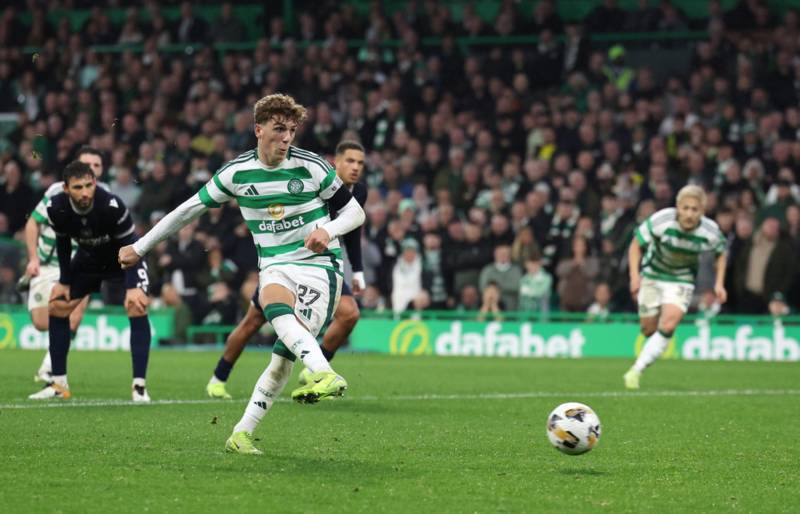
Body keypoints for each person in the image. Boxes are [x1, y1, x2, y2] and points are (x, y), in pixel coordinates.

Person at [118, 94, 365, 455]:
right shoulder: (236, 173)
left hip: (319, 268)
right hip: (275, 266)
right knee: (270, 299)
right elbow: (187, 211)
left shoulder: (311, 166)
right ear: (258, 129)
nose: (286, 138)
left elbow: (355, 214)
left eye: (292, 131)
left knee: (281, 363)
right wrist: (140, 247)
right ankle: (321, 371)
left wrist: (328, 231)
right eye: (279, 130)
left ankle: (242, 431)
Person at [205, 139, 368, 399]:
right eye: (350, 161)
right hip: (285, 264)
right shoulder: (313, 177)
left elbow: (353, 228)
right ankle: (218, 377)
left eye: (360, 163)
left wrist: (357, 270)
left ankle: (316, 370)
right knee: (251, 323)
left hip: (322, 266)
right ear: (334, 162)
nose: (356, 167)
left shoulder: (358, 192)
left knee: (349, 314)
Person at [28, 160, 153, 401]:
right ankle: (58, 384)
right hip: (89, 259)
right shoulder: (56, 207)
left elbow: (129, 247)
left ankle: (139, 387)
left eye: (88, 185)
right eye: (78, 187)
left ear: (95, 183)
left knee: (136, 305)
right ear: (66, 189)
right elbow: (63, 243)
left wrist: (131, 287)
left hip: (124, 257)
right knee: (58, 304)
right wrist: (64, 281)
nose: (85, 192)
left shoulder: (111, 205)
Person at [623, 185, 727, 389]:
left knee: (669, 325)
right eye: (685, 208)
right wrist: (635, 277)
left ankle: (635, 371)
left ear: (702, 211)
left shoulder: (709, 230)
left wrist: (719, 284)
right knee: (647, 329)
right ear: (678, 207)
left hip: (681, 279)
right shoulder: (662, 220)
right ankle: (651, 345)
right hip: (652, 274)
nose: (689, 214)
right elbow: (636, 244)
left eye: (694, 210)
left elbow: (721, 252)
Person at [23, 147, 106, 383]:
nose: (91, 169)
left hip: (79, 265)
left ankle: (51, 368)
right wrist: (33, 258)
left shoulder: (105, 198)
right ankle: (53, 361)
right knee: (41, 323)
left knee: (74, 314)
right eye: (86, 164)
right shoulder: (55, 191)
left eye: (96, 165)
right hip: (48, 263)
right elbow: (33, 223)